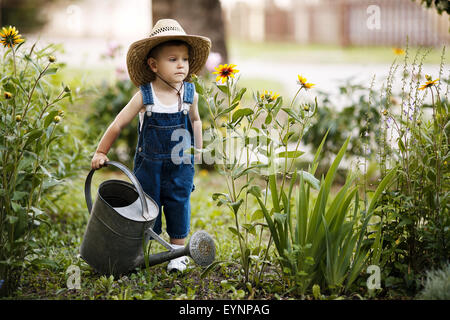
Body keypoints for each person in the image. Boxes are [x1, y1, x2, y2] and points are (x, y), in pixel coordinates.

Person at [91, 19, 211, 272]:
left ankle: (178, 254)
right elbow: (117, 124)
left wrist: (198, 153)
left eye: (185, 59)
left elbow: (196, 121)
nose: (181, 64)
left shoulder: (190, 95)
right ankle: (138, 251)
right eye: (172, 59)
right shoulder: (145, 96)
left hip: (181, 164)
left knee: (179, 204)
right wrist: (102, 151)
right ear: (154, 65)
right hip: (150, 166)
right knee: (146, 206)